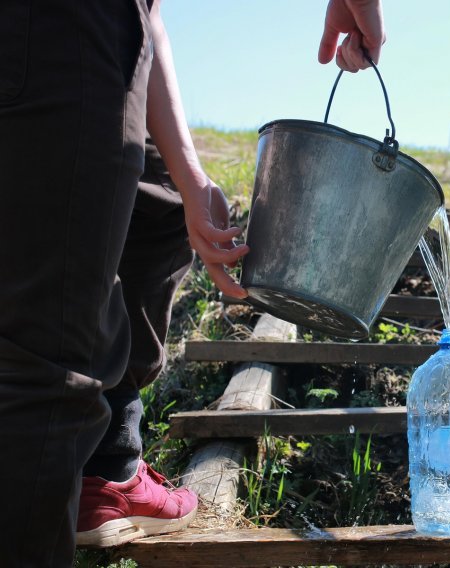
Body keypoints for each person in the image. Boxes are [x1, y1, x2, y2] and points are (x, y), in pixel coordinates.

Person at [0, 0, 384, 565]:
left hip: (108, 26)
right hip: (53, 28)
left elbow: (145, 19)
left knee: (158, 207)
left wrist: (193, 179)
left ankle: (105, 471)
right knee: (43, 357)